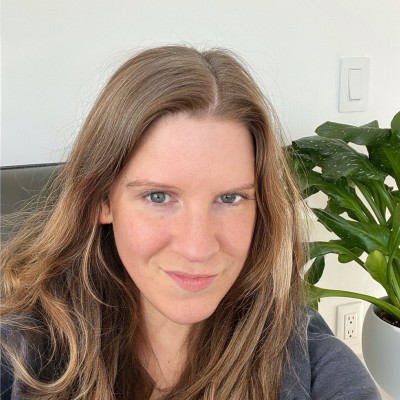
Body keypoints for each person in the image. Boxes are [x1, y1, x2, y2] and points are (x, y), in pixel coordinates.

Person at [0, 45, 380, 399]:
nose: (198, 248)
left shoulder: (315, 369)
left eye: (230, 198)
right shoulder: (17, 354)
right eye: (158, 197)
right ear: (102, 199)